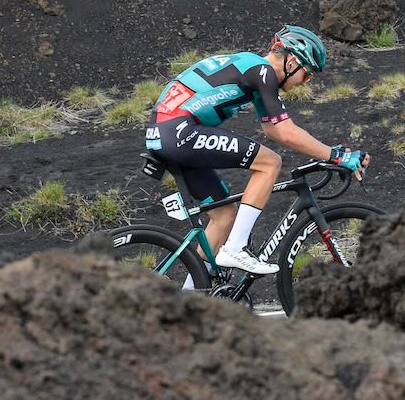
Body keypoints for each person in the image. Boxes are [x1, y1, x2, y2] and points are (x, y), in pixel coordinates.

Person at [145, 25, 368, 279]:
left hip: (168, 133)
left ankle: (191, 297)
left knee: (223, 215)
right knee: (269, 163)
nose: (305, 83)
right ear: (291, 61)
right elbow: (284, 132)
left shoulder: (254, 70)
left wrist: (327, 152)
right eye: (306, 75)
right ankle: (236, 248)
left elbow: (273, 130)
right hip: (178, 131)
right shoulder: (262, 71)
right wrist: (335, 156)